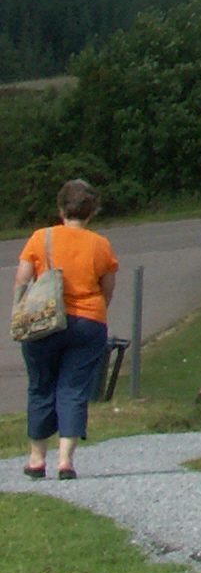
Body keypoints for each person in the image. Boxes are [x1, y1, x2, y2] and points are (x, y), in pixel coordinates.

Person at [17, 179, 117, 481]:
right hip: (88, 322)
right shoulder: (100, 245)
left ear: (61, 208)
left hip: (44, 321)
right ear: (92, 212)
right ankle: (65, 461)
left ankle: (36, 458)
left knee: (40, 386)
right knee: (73, 389)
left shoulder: (40, 238)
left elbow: (21, 280)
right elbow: (107, 289)